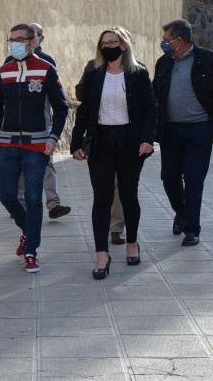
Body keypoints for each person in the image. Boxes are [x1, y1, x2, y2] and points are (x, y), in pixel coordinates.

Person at [70, 27, 157, 280]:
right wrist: (76, 141)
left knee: (129, 195)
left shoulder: (138, 74)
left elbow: (151, 109)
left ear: (123, 45)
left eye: (113, 41)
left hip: (131, 142)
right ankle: (101, 255)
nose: (108, 45)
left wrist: (148, 139)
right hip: (101, 141)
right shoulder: (94, 74)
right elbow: (85, 111)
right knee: (102, 198)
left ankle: (131, 243)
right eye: (104, 42)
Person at [153, 19, 213, 246]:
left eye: (166, 40)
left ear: (179, 41)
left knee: (193, 178)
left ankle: (192, 229)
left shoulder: (208, 60)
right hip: (170, 130)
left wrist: (212, 124)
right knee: (169, 178)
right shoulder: (163, 63)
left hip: (199, 129)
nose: (163, 44)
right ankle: (182, 212)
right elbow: (155, 96)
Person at [0, 24, 68, 273]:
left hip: (36, 145)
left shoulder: (46, 69)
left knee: (34, 198)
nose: (15, 43)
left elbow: (61, 107)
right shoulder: (4, 71)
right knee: (7, 196)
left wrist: (53, 137)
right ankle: (28, 230)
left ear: (33, 42)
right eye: (11, 39)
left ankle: (31, 250)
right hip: (8, 144)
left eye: (20, 39)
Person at [4, 23, 71, 225]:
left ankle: (53, 204)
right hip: (15, 129)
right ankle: (20, 202)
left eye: (39, 35)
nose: (16, 44)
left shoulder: (47, 63)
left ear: (39, 39)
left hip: (41, 127)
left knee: (47, 163)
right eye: (13, 40)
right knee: (21, 167)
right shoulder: (8, 63)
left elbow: (57, 100)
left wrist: (52, 131)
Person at [76, 59, 127, 246]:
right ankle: (103, 226)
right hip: (99, 136)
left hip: (126, 137)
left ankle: (116, 228)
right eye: (106, 43)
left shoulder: (136, 68)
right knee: (103, 188)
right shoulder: (93, 66)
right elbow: (81, 95)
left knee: (120, 185)